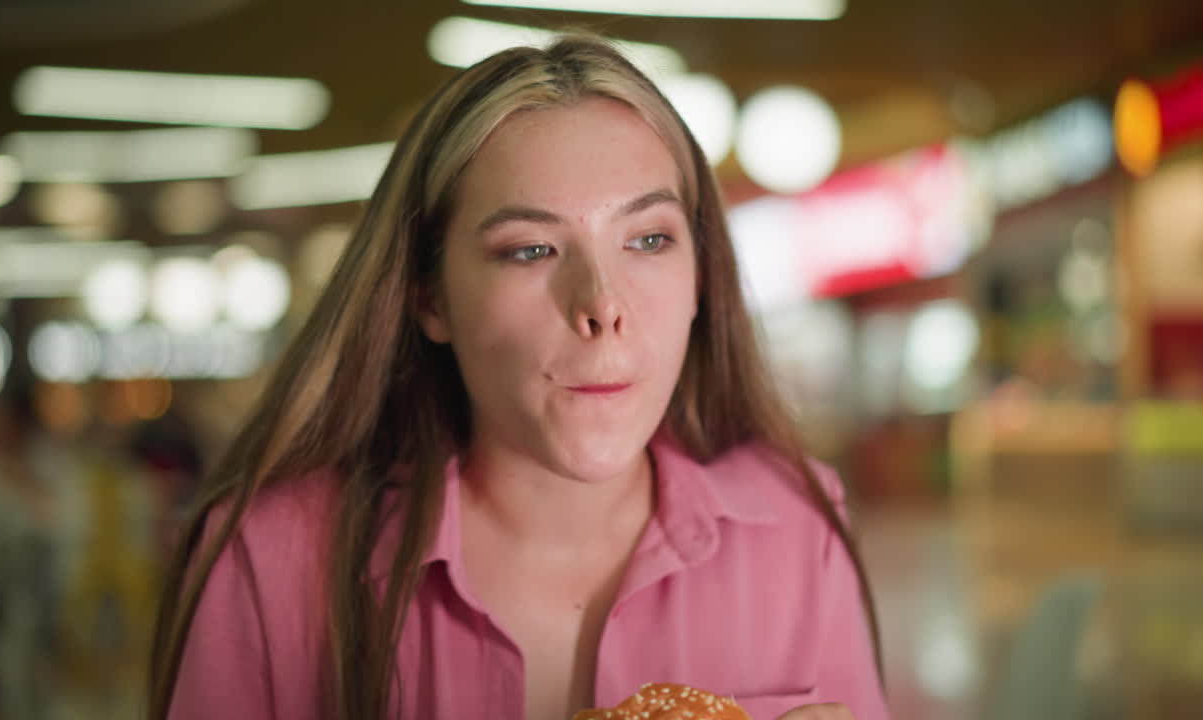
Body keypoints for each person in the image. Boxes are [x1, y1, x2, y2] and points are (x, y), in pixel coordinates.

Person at [149, 34, 889, 720]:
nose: (601, 304)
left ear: (702, 279)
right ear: (429, 295)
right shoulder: (270, 560)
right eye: (530, 250)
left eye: (650, 239)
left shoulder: (798, 528)